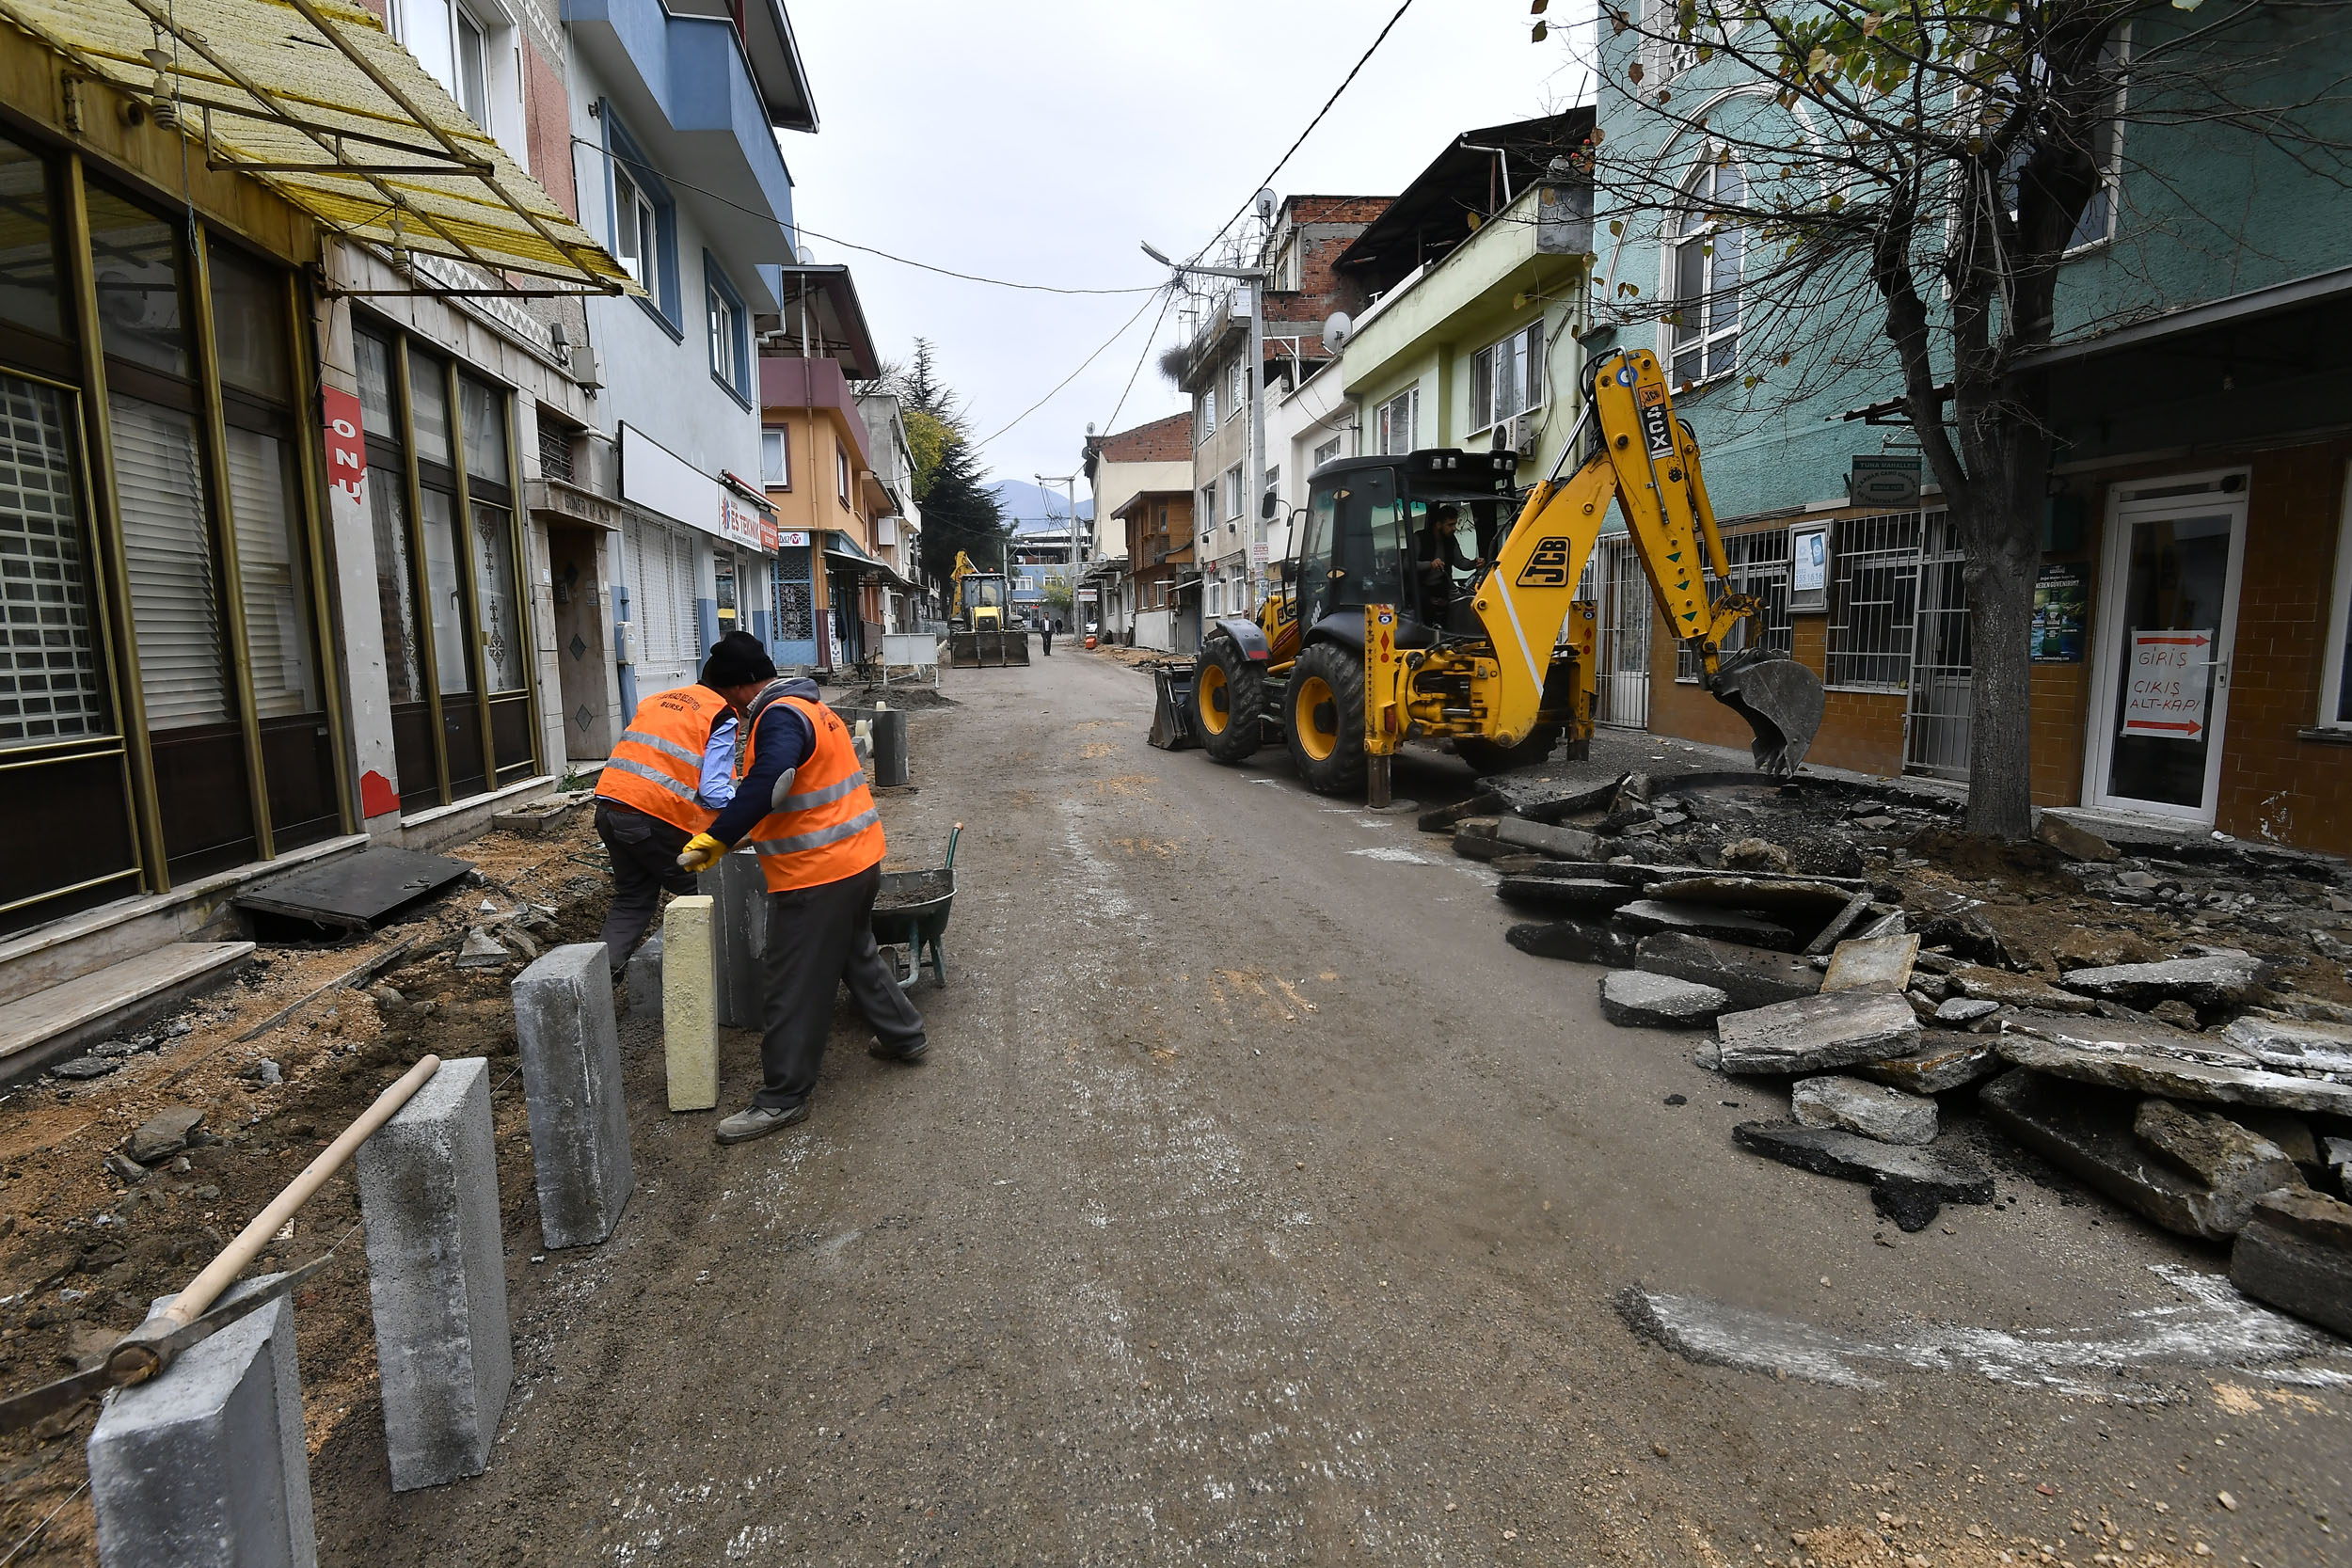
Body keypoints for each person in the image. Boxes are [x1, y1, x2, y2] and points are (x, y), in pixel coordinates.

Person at [677, 670, 926, 1144]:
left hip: (818, 874)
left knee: (792, 981)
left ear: (740, 687)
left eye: (723, 697)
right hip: (858, 859)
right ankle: (904, 1034)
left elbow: (773, 777)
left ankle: (782, 1098)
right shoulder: (815, 707)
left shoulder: (779, 717)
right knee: (855, 952)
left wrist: (719, 835)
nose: (726, 709)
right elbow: (803, 790)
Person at [592, 631, 773, 974]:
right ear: (738, 686)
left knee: (632, 900)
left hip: (610, 807)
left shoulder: (660, 698)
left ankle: (593, 984)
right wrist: (755, 801)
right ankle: (730, 981)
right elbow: (715, 790)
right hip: (653, 818)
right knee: (711, 895)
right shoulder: (721, 715)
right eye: (761, 687)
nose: (762, 697)